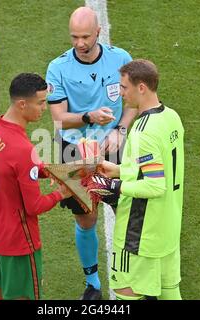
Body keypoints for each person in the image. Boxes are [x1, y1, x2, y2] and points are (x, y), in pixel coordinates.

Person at [45, 6, 135, 300]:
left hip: (115, 148)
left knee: (126, 211)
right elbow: (58, 117)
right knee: (86, 218)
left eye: (85, 36)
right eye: (74, 37)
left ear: (98, 32)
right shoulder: (57, 68)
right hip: (73, 151)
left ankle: (131, 275)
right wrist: (89, 117)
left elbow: (134, 101)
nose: (80, 43)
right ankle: (93, 282)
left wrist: (120, 130)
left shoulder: (121, 59)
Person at [87, 59, 185, 300]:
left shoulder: (143, 131)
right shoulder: (171, 117)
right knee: (170, 293)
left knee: (125, 296)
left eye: (123, 87)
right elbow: (158, 169)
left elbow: (154, 185)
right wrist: (119, 170)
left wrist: (114, 186)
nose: (120, 93)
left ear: (141, 87)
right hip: (167, 228)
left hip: (140, 233)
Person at [0, 73, 71, 300]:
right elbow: (34, 206)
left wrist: (46, 170)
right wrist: (62, 193)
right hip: (17, 240)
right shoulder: (22, 149)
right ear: (22, 104)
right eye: (40, 102)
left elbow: (8, 170)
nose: (44, 108)